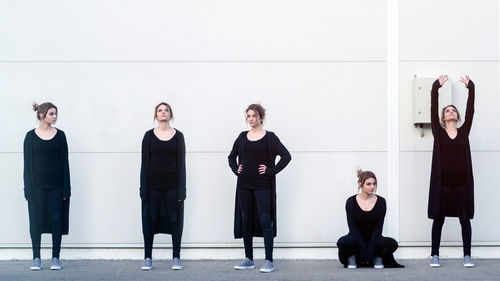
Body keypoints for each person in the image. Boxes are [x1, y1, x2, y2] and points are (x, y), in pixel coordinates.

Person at [228, 104, 291, 273]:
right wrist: (236, 169)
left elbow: (286, 156)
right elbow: (231, 157)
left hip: (263, 185)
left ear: (261, 117)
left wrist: (271, 171)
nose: (251, 119)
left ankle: (269, 260)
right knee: (246, 219)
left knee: (265, 219)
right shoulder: (242, 137)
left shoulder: (270, 137)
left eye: (254, 116)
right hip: (244, 184)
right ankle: (248, 259)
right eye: (248, 116)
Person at [428, 75, 475, 268]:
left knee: (464, 218)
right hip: (443, 185)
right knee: (439, 219)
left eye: (453, 110)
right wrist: (435, 88)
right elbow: (432, 107)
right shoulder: (438, 133)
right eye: (447, 111)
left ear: (457, 115)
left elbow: (471, 109)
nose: (451, 112)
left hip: (462, 184)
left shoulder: (464, 132)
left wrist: (471, 88)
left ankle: (467, 256)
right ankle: (435, 255)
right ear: (443, 117)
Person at [23, 102, 71, 270]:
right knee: (35, 222)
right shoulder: (30, 137)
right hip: (36, 189)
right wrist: (27, 189)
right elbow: (27, 165)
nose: (55, 117)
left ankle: (55, 258)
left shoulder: (60, 136)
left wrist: (66, 189)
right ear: (42, 114)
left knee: (56, 220)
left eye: (56, 114)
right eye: (51, 114)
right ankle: (36, 258)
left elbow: (65, 163)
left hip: (56, 187)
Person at [140, 102, 186, 270]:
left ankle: (176, 258)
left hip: (173, 186)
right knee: (150, 221)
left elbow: (182, 164)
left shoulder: (179, 136)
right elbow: (144, 164)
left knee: (175, 220)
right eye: (160, 110)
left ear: (170, 114)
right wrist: (143, 188)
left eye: (166, 110)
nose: (163, 112)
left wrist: (182, 190)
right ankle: (147, 258)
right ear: (156, 115)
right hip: (152, 186)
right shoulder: (148, 136)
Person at [337, 169, 403, 269]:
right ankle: (353, 257)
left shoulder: (381, 201)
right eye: (368, 184)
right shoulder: (350, 201)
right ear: (360, 184)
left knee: (392, 243)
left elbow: (378, 228)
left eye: (374, 184)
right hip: (356, 239)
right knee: (343, 241)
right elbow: (352, 228)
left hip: (375, 240)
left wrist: (370, 248)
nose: (372, 187)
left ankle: (377, 257)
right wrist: (363, 247)